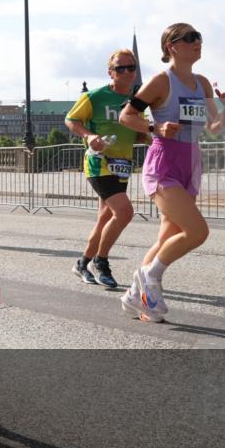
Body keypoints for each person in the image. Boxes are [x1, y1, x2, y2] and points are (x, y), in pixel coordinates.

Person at [119, 23, 225, 323]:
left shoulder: (203, 83)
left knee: (167, 238)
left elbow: (213, 128)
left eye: (199, 37)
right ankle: (150, 277)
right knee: (197, 231)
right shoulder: (162, 81)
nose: (197, 41)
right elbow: (126, 115)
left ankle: (136, 297)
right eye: (190, 38)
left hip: (191, 163)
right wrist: (153, 127)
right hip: (164, 164)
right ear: (172, 46)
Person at [64, 50, 143, 288]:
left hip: (123, 164)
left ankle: (82, 263)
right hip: (99, 162)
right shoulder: (95, 96)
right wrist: (89, 136)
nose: (126, 72)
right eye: (120, 68)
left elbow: (137, 130)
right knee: (124, 212)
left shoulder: (137, 101)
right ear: (111, 72)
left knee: (105, 217)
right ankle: (101, 261)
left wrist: (154, 135)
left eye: (131, 67)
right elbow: (71, 120)